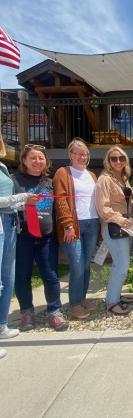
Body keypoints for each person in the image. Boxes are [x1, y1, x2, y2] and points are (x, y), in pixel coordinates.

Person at [13, 145, 69, 331]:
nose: (37, 161)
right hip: (23, 238)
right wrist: (23, 201)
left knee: (51, 276)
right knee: (22, 276)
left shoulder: (50, 182)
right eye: (33, 158)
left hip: (47, 238)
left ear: (46, 161)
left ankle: (54, 311)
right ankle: (26, 313)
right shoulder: (14, 180)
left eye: (41, 158)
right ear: (24, 160)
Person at [0, 134, 39, 359]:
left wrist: (21, 201)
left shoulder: (4, 166)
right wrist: (22, 197)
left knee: (8, 279)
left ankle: (2, 326)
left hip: (9, 222)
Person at [53, 139, 100, 319]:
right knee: (78, 266)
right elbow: (61, 201)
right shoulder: (63, 173)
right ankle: (73, 304)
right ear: (70, 154)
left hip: (92, 223)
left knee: (87, 266)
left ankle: (82, 298)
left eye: (85, 154)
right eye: (78, 153)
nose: (82, 157)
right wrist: (68, 225)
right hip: (74, 225)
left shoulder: (91, 176)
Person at [95, 147, 133, 316]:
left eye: (121, 158)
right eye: (114, 158)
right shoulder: (104, 180)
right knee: (121, 265)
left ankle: (116, 294)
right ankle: (111, 301)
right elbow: (102, 208)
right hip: (114, 227)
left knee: (122, 264)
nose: (118, 161)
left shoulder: (124, 178)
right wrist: (121, 220)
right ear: (108, 161)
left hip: (126, 228)